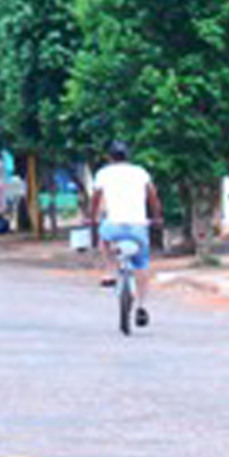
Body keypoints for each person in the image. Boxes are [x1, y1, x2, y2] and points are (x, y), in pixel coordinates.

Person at [88, 141, 161, 329]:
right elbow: (153, 197)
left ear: (109, 157)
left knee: (104, 240)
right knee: (142, 265)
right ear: (128, 156)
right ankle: (142, 306)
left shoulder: (103, 173)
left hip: (114, 226)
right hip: (138, 227)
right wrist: (156, 217)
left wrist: (92, 218)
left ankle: (110, 271)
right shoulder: (140, 172)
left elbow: (95, 199)